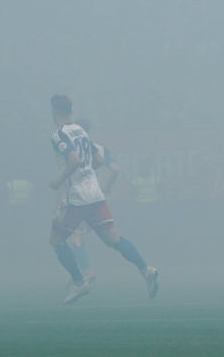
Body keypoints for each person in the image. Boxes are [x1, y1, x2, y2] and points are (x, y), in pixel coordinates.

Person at [47, 95, 158, 304]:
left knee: (56, 240)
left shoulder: (58, 135)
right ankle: (146, 270)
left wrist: (58, 180)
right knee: (114, 239)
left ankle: (80, 283)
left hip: (75, 198)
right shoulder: (81, 131)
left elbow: (74, 159)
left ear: (53, 112)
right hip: (96, 194)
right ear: (71, 111)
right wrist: (86, 172)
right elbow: (97, 159)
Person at [62, 118, 122, 283]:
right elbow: (115, 170)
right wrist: (107, 187)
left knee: (75, 238)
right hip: (97, 199)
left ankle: (86, 271)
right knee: (80, 236)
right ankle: (76, 272)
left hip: (81, 199)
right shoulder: (100, 149)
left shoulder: (75, 151)